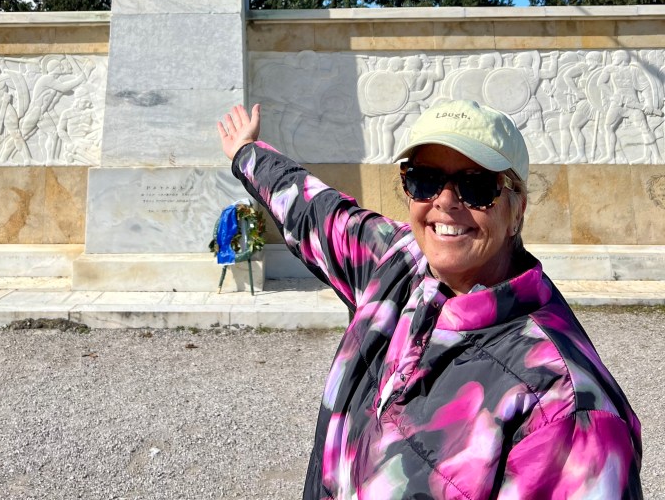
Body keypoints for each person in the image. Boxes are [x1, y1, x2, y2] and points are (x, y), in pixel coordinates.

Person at [217, 98, 642, 499]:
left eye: (477, 186)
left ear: (518, 209)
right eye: (425, 179)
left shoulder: (562, 404)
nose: (445, 201)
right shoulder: (396, 261)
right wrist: (247, 153)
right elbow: (314, 209)